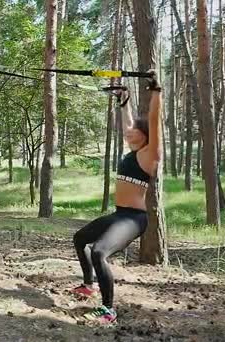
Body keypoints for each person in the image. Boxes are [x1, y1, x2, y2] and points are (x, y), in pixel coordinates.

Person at [70, 72, 163, 324]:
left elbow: (154, 122)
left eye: (135, 132)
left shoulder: (149, 155)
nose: (129, 133)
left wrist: (156, 92)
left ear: (144, 136)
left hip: (135, 219)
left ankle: (108, 310)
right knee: (80, 239)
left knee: (99, 252)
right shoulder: (133, 152)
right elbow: (128, 123)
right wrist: (124, 99)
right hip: (119, 214)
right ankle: (89, 285)